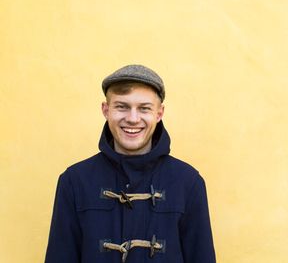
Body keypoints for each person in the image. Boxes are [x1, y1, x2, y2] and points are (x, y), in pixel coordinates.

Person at [45, 65, 216, 263]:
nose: (133, 119)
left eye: (144, 108)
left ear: (159, 113)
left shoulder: (188, 182)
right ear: (106, 110)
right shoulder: (74, 181)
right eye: (122, 106)